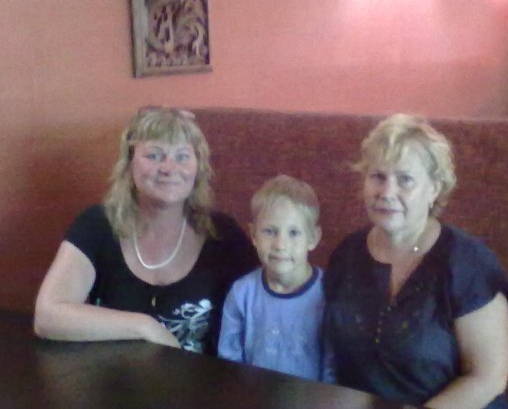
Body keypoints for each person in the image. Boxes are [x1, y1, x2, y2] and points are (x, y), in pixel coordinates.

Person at [323, 114, 508, 409]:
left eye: (405, 179)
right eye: (378, 176)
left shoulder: (468, 264)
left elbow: (488, 377)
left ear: (434, 189)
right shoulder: (347, 255)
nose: (387, 192)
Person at [34, 107, 257, 354]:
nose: (169, 168)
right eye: (154, 155)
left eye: (182, 156)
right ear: (129, 164)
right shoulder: (98, 224)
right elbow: (47, 317)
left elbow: (269, 305)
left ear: (198, 168)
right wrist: (144, 327)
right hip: (111, 376)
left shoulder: (223, 234)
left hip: (201, 378)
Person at [218, 175, 326, 381]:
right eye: (269, 231)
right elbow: (228, 356)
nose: (280, 244)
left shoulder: (328, 292)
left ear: (312, 238)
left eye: (293, 233)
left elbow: (334, 363)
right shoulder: (242, 293)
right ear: (253, 235)